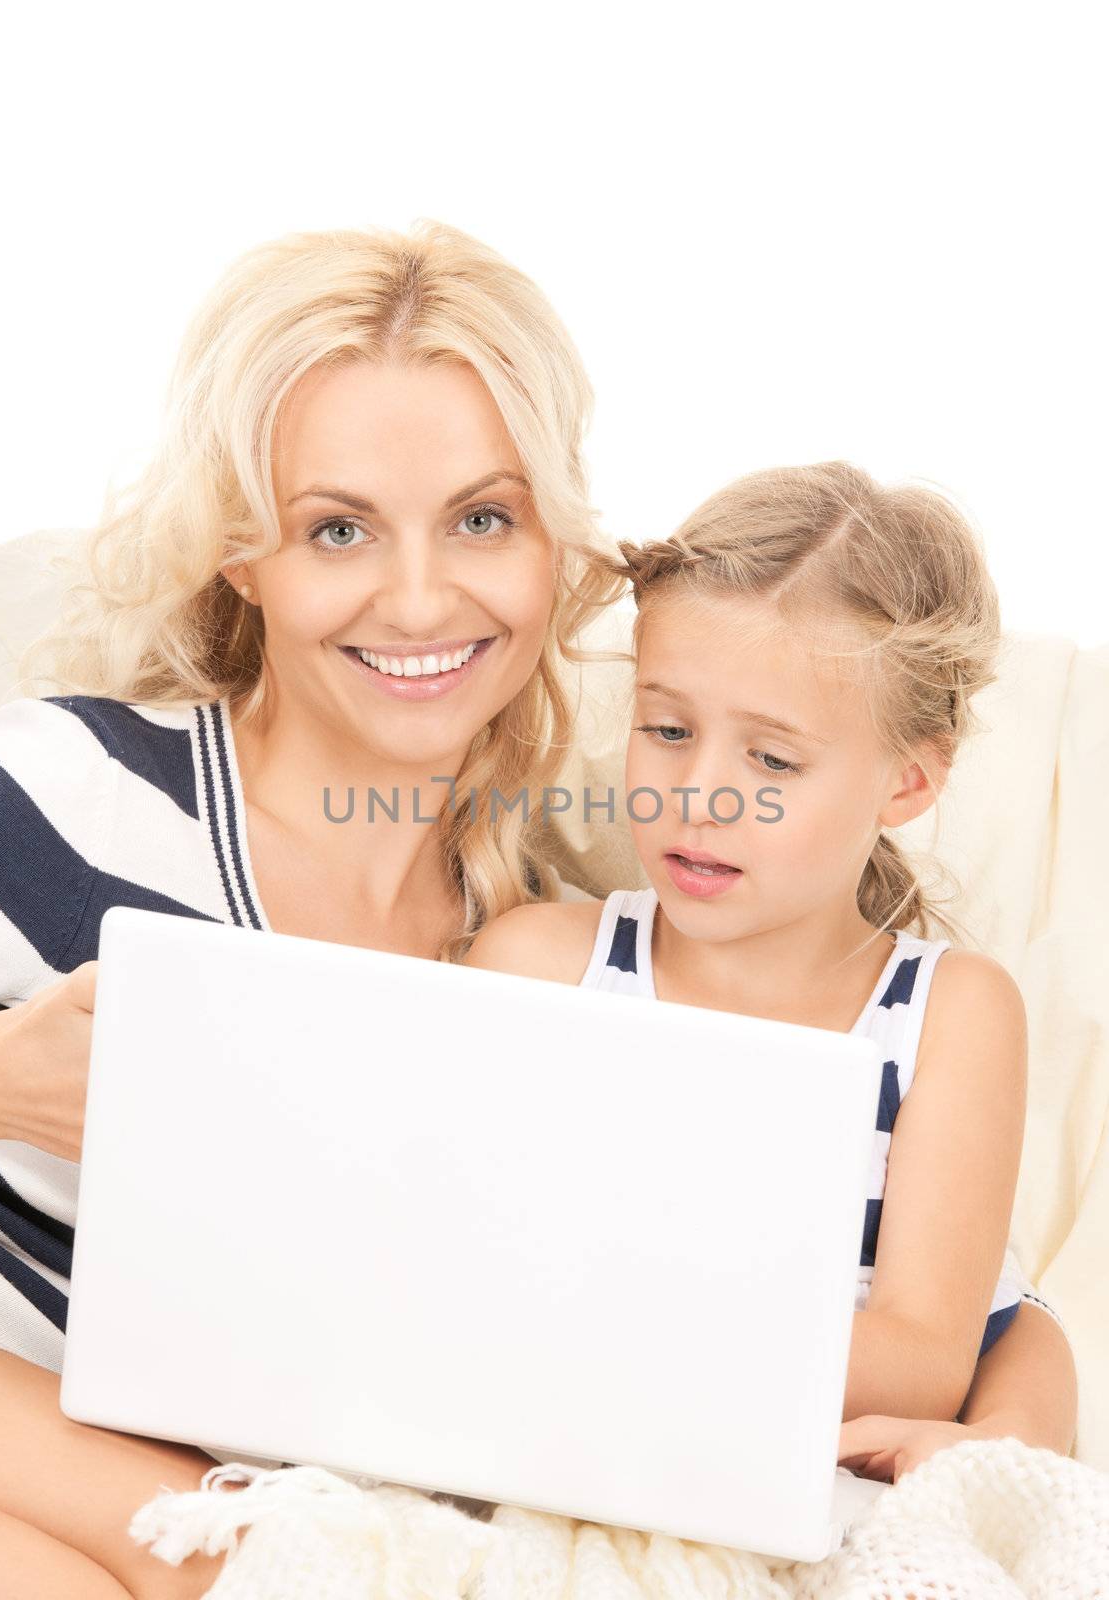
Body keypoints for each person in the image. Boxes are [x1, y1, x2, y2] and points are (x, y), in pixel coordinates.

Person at [0, 220, 607, 1597]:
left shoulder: (550, 950)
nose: (417, 597)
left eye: (482, 519)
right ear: (238, 551)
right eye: (338, 529)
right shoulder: (59, 792)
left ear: (555, 542)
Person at [465, 461, 1079, 1486]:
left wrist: (609, 1338)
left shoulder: (948, 1016)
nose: (699, 795)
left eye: (771, 763)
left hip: (818, 1459)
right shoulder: (540, 965)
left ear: (907, 779)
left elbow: (927, 1361)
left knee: (1025, 1361)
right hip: (581, 1436)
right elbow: (453, 1245)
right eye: (667, 730)